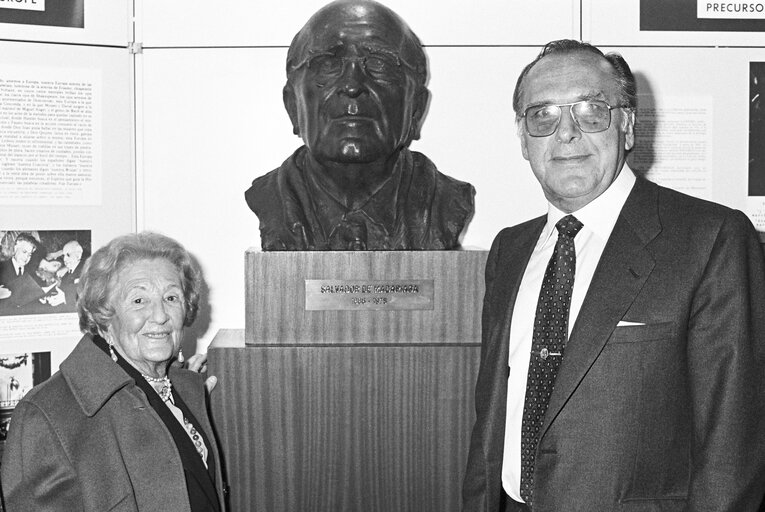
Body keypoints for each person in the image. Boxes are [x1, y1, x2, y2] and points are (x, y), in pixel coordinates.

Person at [462, 39, 765, 512]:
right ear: (523, 139)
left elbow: (733, 441)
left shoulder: (710, 239)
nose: (565, 132)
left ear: (626, 125)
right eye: (541, 115)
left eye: (590, 110)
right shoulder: (510, 249)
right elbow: (490, 424)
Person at [1, 232, 226, 512]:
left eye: (171, 297)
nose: (160, 316)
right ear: (103, 315)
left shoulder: (184, 389)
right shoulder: (47, 414)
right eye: (138, 301)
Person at [244, 0, 474, 250]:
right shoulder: (270, 198)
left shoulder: (444, 204)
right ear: (293, 105)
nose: (352, 85)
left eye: (379, 64)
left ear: (415, 108)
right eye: (328, 64)